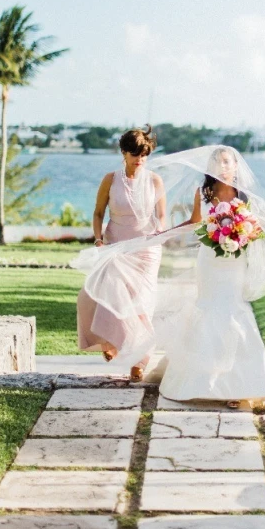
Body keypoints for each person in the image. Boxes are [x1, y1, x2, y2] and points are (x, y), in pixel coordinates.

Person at [158, 146, 265, 408]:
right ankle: (200, 381)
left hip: (235, 265)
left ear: (236, 166)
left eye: (227, 162)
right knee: (207, 312)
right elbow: (195, 222)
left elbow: (258, 229)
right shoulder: (203, 194)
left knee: (234, 313)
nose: (222, 167)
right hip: (208, 264)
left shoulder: (246, 196)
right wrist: (164, 234)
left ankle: (239, 386)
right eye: (217, 162)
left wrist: (243, 235)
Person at [76, 125, 165, 380]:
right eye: (136, 154)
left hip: (146, 250)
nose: (140, 160)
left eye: (145, 154)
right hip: (115, 247)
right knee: (98, 298)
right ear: (124, 153)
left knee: (141, 304)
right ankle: (109, 342)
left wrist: (160, 230)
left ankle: (140, 359)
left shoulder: (155, 180)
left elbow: (161, 215)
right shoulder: (110, 179)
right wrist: (98, 239)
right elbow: (97, 213)